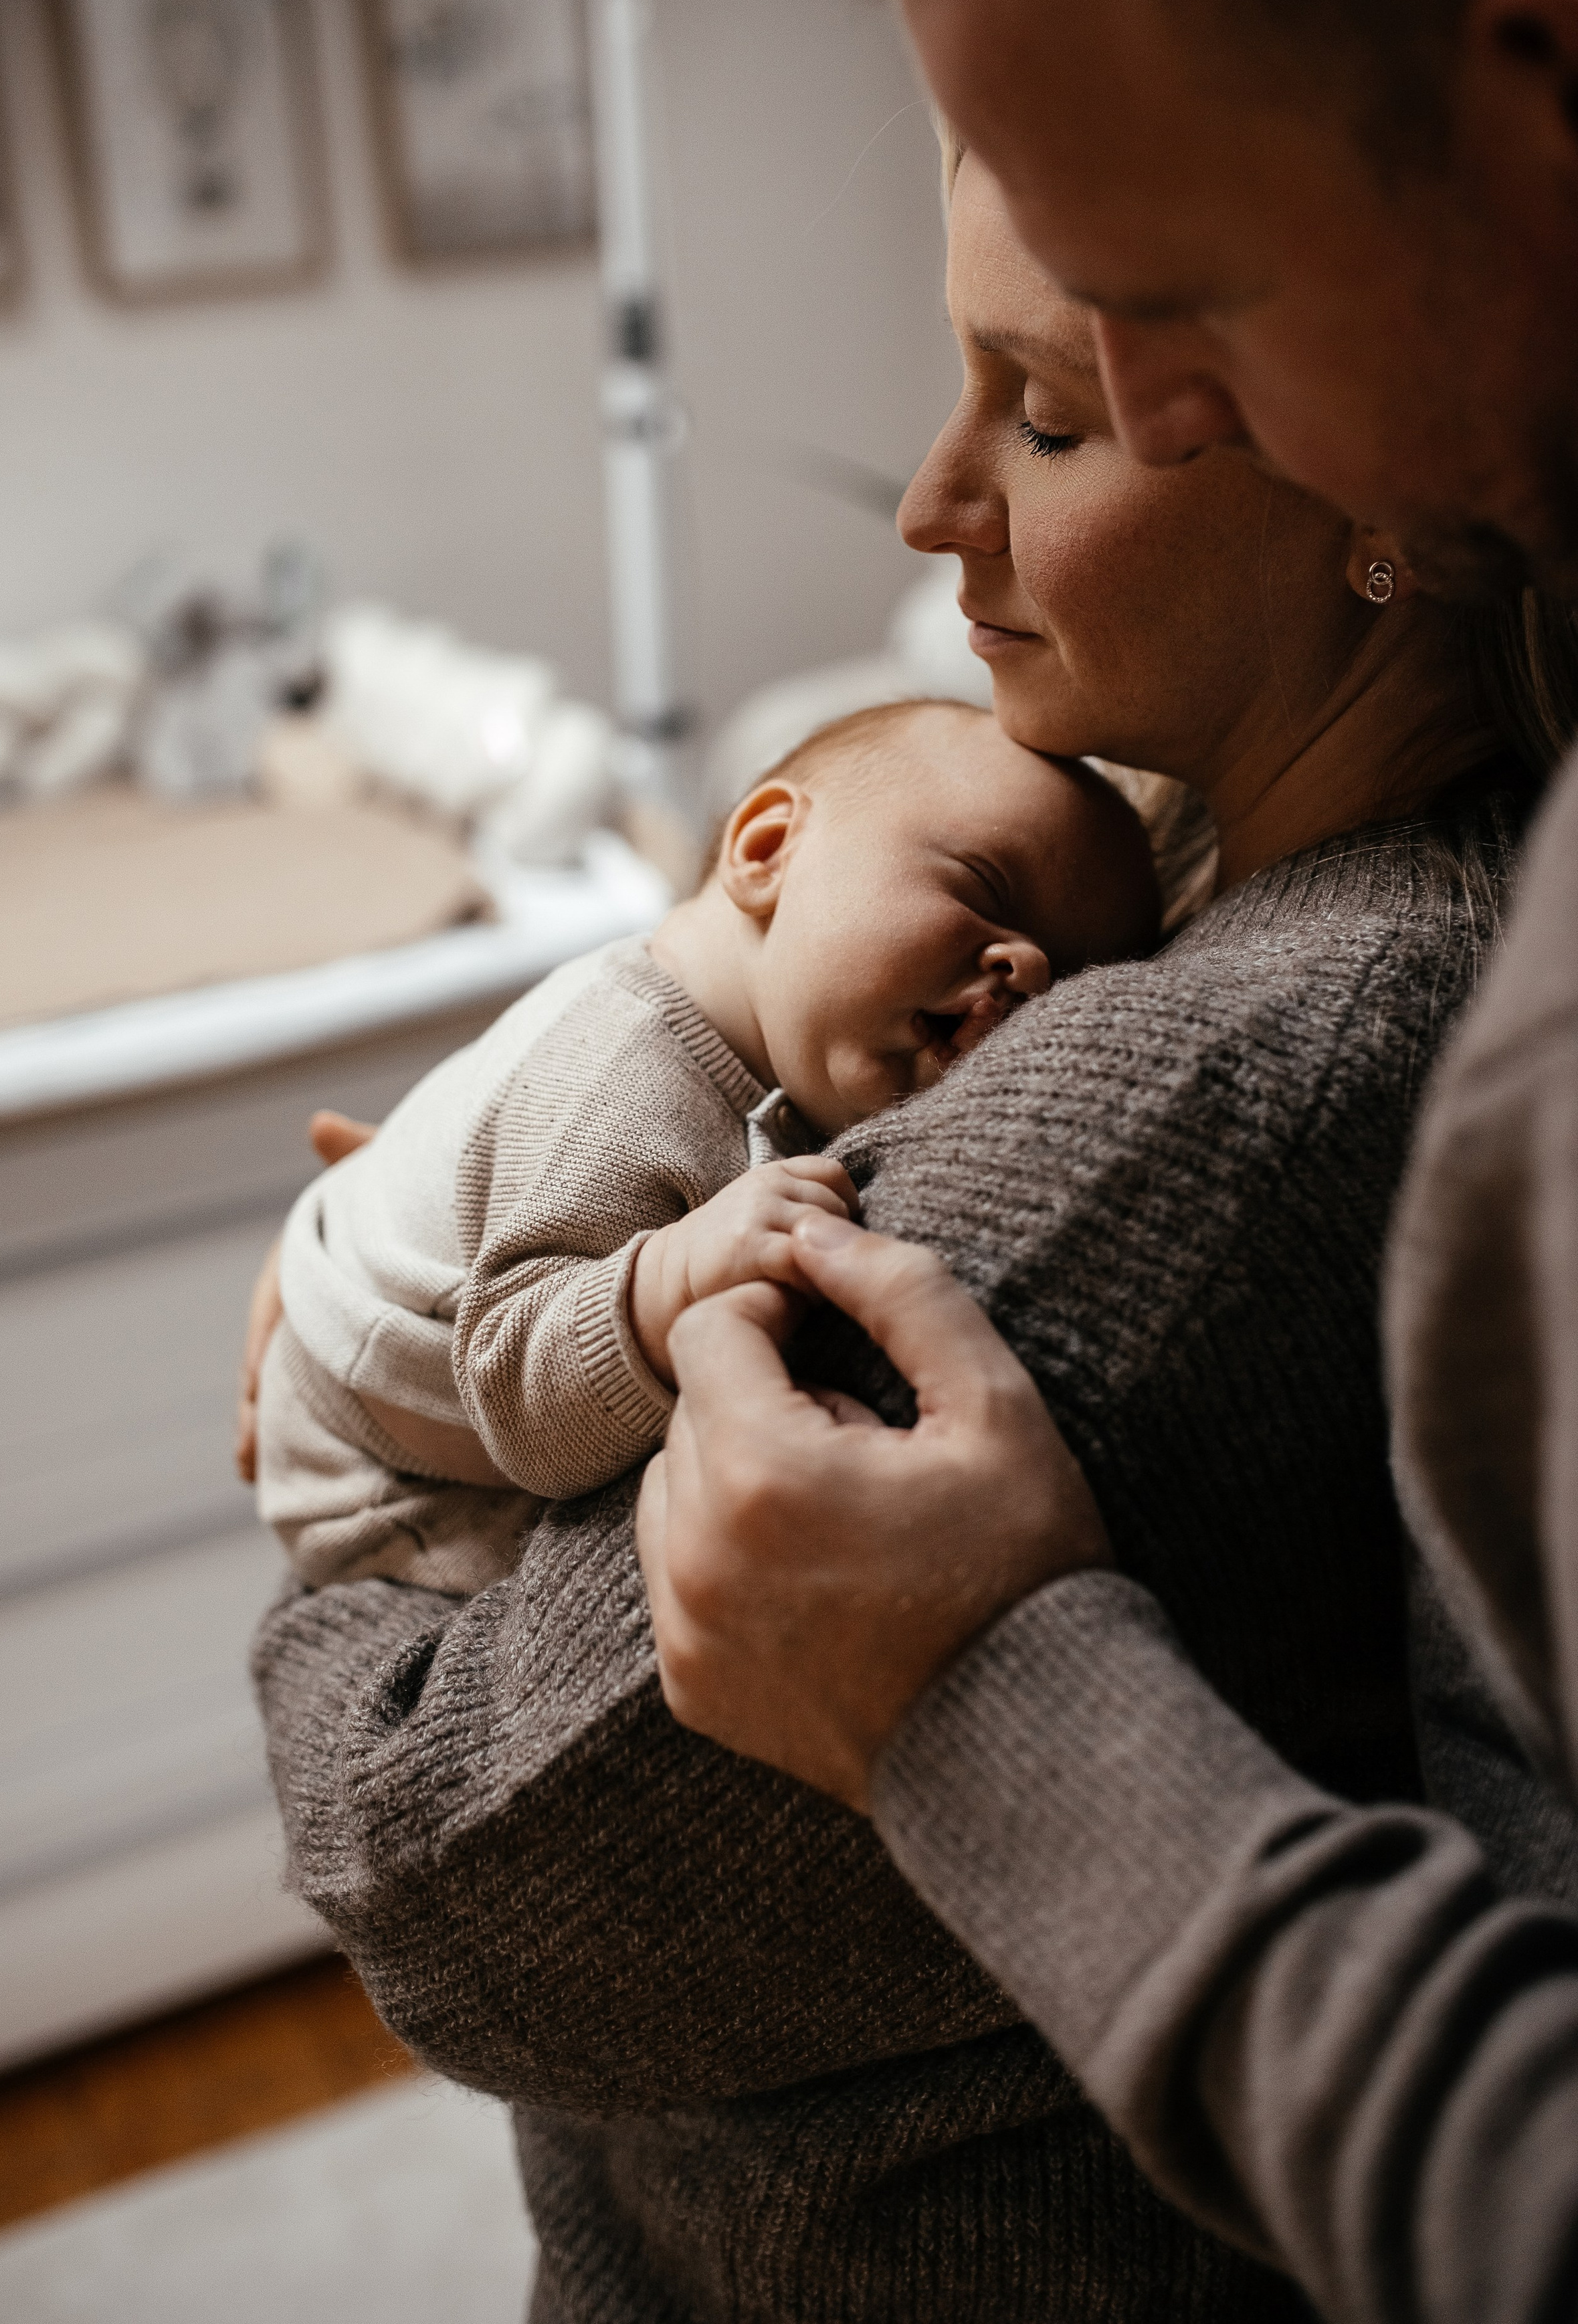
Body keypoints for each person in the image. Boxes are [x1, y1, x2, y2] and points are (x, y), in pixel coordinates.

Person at [249, 138, 1545, 2316]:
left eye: (1042, 414)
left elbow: (425, 1867)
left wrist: (339, 1433)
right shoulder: (1209, 861)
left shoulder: (1185, 1106)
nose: (933, 504)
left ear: (1391, 487)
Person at [635, 0, 1578, 2322]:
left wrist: (979, 1692)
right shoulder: (1161, 861)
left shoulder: (1253, 1051)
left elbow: (434, 1833)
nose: (1159, 403)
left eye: (1161, 297)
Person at [254, 701, 1156, 1597]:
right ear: (765, 849)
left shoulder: (780, 1049)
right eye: (987, 891)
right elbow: (516, 1390)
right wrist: (672, 1277)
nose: (1029, 970)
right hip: (376, 1462)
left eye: (1068, 979)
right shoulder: (619, 1078)